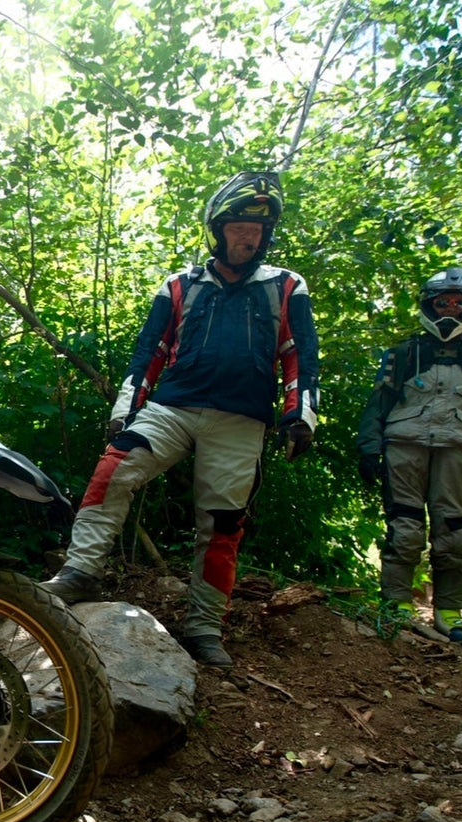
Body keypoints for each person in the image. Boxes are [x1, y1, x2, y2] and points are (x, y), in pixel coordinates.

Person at [41, 171, 320, 668]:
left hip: (241, 420)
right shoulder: (180, 285)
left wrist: (300, 415)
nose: (248, 238)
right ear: (217, 230)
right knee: (113, 470)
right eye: (238, 228)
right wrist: (126, 410)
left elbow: (299, 354)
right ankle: (80, 572)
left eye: (257, 230)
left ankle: (204, 628)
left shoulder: (286, 285)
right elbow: (150, 350)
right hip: (173, 408)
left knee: (222, 523)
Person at [355, 267, 462, 645]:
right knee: (404, 528)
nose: (451, 309)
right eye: (443, 302)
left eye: (459, 302)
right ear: (429, 304)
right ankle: (396, 605)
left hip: (460, 449)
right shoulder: (404, 352)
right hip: (404, 447)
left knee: (455, 532)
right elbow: (378, 403)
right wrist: (369, 449)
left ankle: (450, 611)